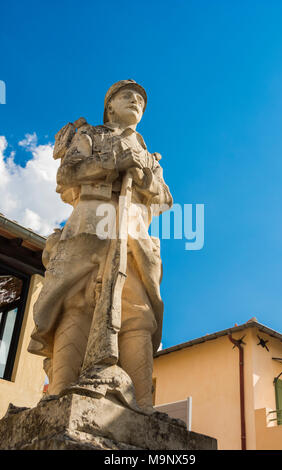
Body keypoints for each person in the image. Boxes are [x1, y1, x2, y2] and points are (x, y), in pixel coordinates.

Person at [28, 80, 172, 412]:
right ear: (109, 106)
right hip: (91, 221)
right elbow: (67, 174)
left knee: (139, 311)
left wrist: (145, 173)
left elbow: (164, 199)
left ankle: (142, 406)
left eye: (140, 99)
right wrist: (112, 162)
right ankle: (61, 394)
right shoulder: (90, 135)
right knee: (77, 301)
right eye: (127, 96)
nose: (135, 100)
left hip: (134, 230)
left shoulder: (149, 154)